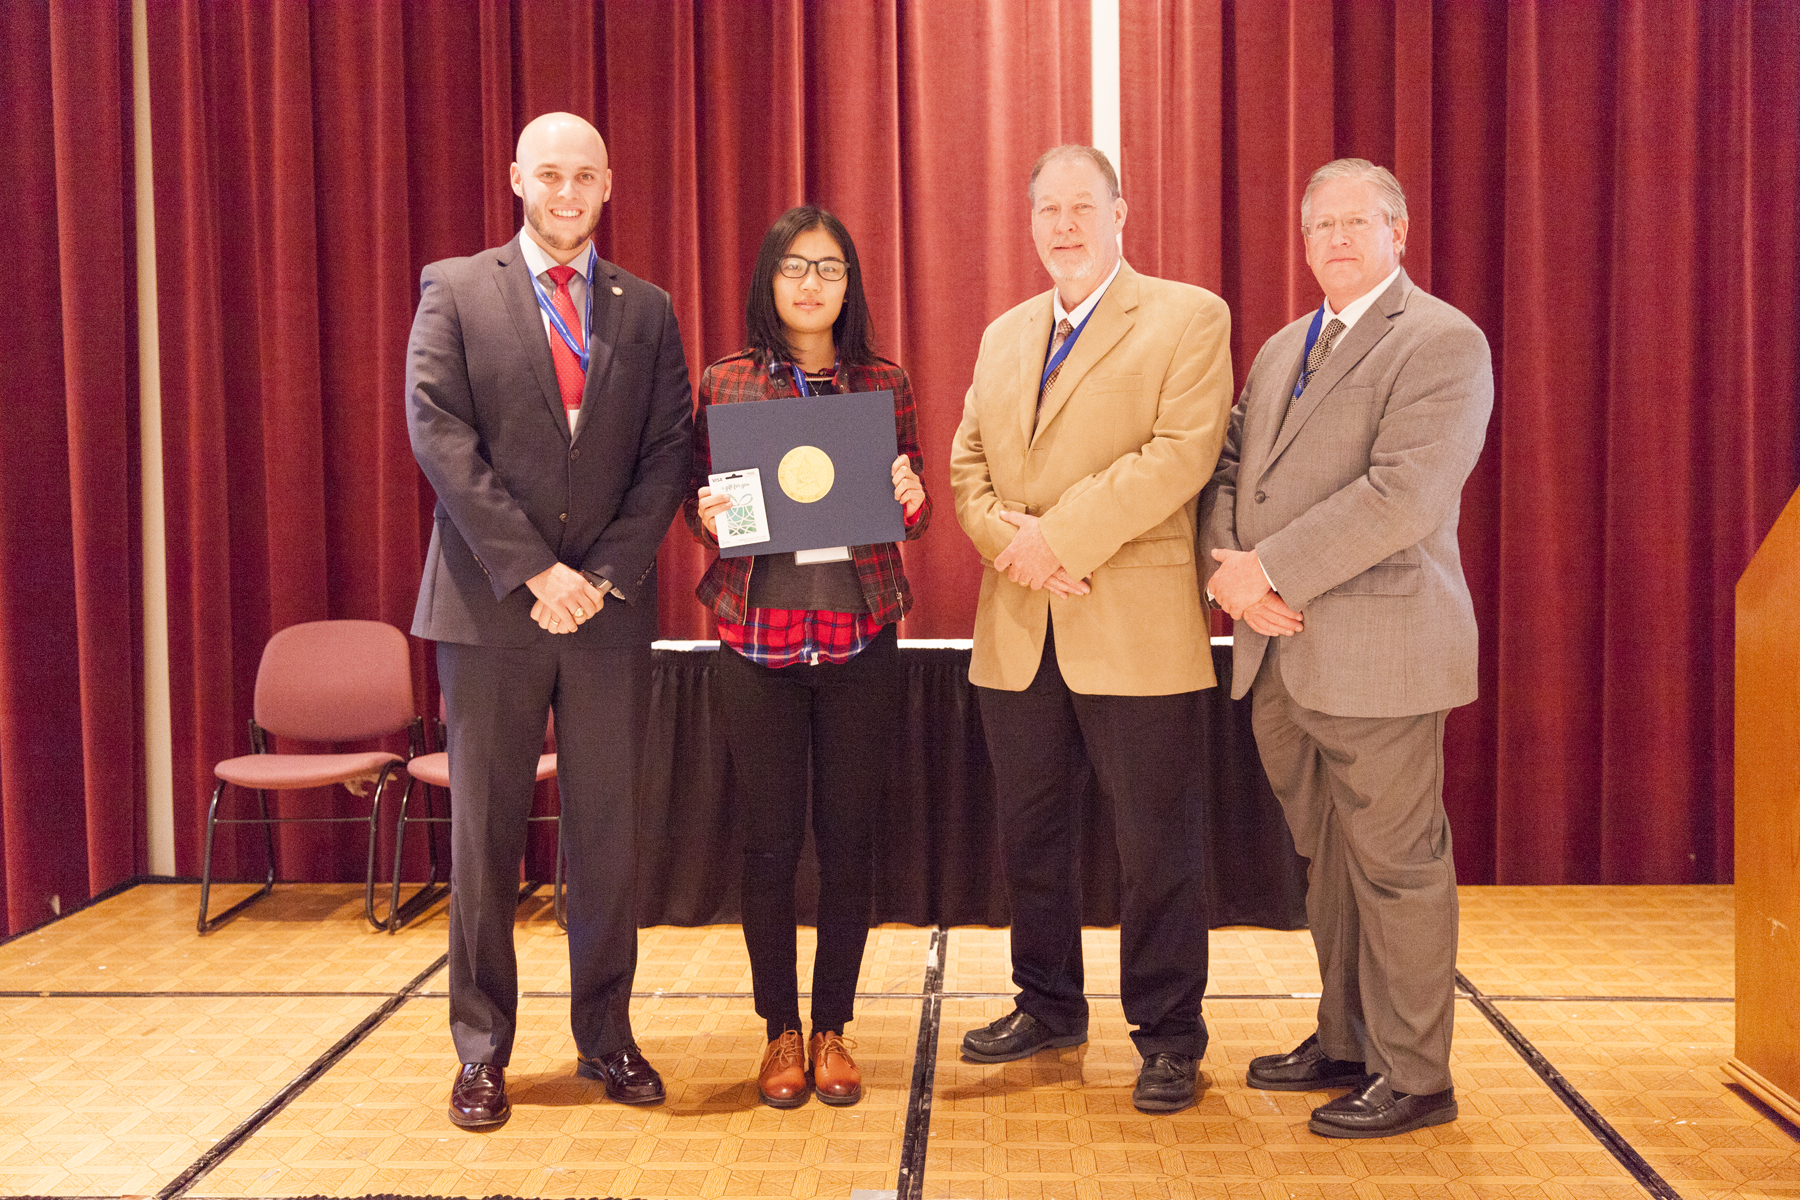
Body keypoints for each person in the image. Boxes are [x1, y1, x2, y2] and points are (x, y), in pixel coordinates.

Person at [406, 112, 692, 1129]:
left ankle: (606, 1039)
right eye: (549, 174)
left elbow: (669, 454)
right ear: (517, 175)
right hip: (490, 612)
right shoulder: (457, 287)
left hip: (607, 616)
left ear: (609, 183)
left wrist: (602, 573)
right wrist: (536, 573)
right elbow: (438, 433)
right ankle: (482, 1053)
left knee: (609, 835)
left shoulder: (648, 310)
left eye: (585, 176)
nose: (566, 192)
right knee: (484, 837)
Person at [1199, 158, 1492, 1138]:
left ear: (1398, 231)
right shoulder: (1285, 347)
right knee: (1328, 859)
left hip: (1382, 650)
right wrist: (1222, 564)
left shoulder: (1444, 343)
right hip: (1281, 654)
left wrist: (1267, 570)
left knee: (1398, 864)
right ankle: (1347, 1039)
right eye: (1319, 224)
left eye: (1356, 222)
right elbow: (1232, 466)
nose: (1335, 238)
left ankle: (1417, 1076)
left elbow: (1402, 493)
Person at [948, 146, 1232, 1114]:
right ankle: (1048, 1004)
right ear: (1030, 224)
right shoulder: (1003, 335)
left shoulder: (1189, 317)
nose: (1064, 225)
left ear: (1122, 213)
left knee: (1157, 847)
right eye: (1048, 211)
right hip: (1020, 627)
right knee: (1033, 840)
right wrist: (1010, 543)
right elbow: (967, 464)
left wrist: (1056, 538)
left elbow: (1180, 456)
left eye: (1083, 207)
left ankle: (1168, 1034)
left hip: (1137, 628)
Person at [686, 206, 929, 1109]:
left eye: (828, 268)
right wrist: (706, 514)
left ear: (849, 282)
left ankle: (834, 1026)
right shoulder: (727, 382)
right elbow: (696, 499)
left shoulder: (882, 382)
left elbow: (911, 508)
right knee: (768, 841)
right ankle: (778, 1030)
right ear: (769, 279)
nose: (811, 284)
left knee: (850, 837)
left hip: (860, 635)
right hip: (758, 640)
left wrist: (910, 496)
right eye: (794, 267)